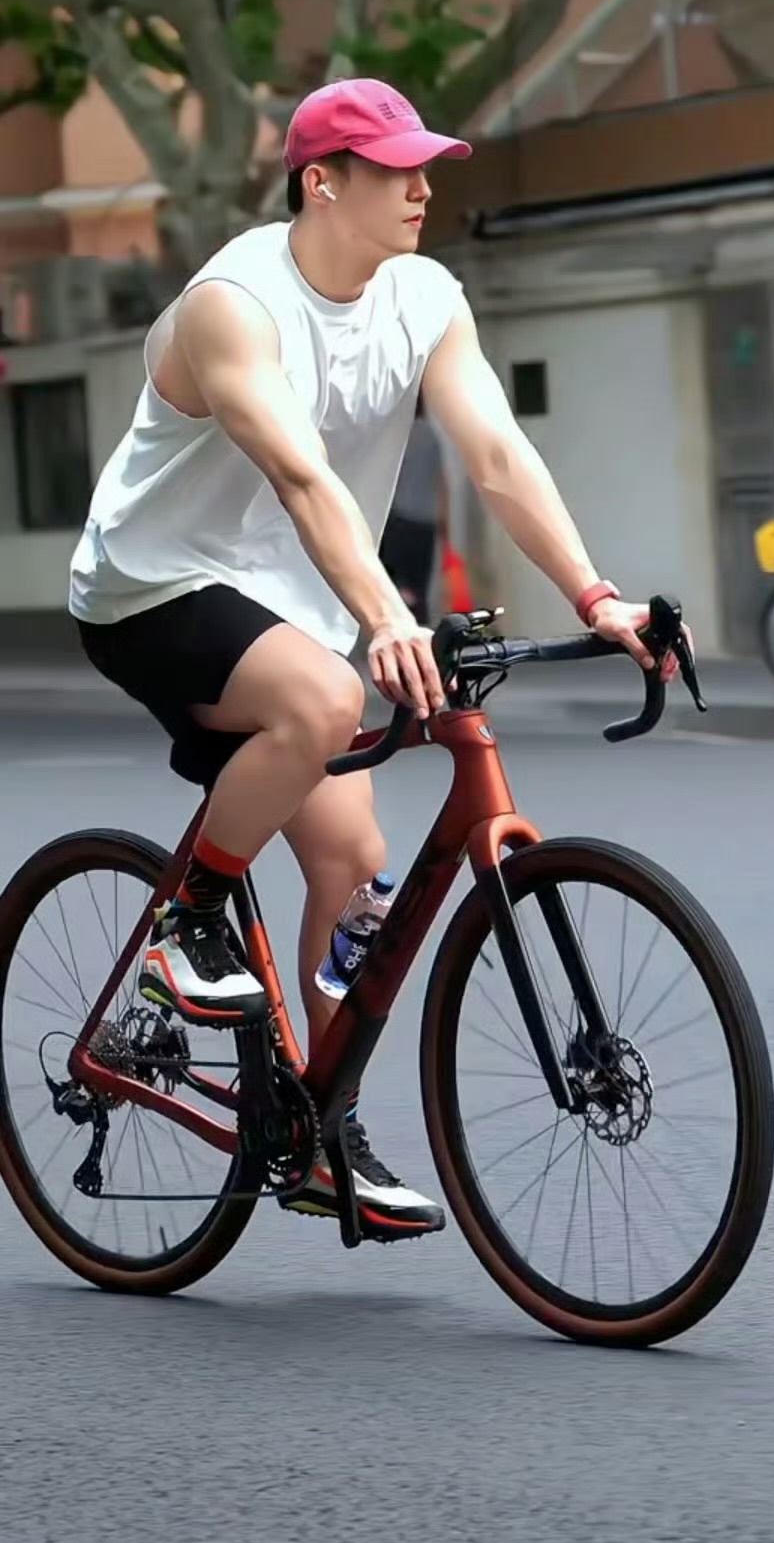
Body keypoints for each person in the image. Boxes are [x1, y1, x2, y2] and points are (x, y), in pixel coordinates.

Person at [69, 76, 676, 1240]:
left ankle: (315, 1129)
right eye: (397, 170)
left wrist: (597, 595)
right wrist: (386, 618)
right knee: (322, 695)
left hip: (296, 604)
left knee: (356, 870)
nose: (422, 189)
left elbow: (497, 454)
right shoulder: (234, 304)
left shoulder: (425, 298)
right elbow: (300, 477)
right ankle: (185, 924)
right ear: (322, 181)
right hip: (152, 586)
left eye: (426, 167)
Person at [379, 395, 446, 625]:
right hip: (426, 521)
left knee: (395, 582)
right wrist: (444, 520)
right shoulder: (432, 437)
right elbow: (441, 482)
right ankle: (421, 628)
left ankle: (397, 625)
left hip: (399, 518)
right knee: (419, 583)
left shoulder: (398, 436)